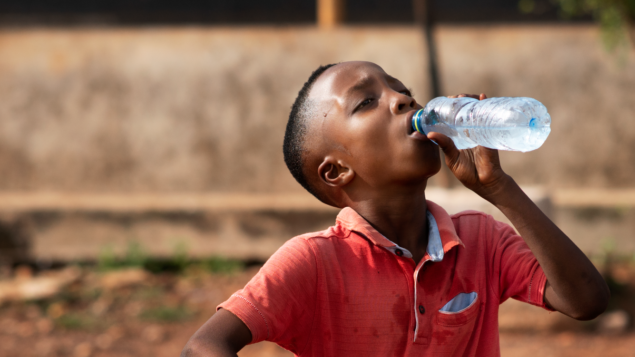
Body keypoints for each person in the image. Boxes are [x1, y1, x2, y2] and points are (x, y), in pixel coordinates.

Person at [181, 61, 609, 357]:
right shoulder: (313, 262)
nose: (403, 100)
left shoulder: (481, 240)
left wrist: (499, 188)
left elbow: (586, 300)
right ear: (336, 171)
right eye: (366, 102)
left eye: (403, 91)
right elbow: (203, 345)